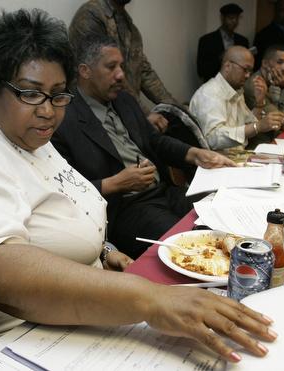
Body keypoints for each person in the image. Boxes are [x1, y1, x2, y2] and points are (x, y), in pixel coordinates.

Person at [0, 9, 276, 370]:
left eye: (59, 94)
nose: (48, 111)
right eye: (31, 93)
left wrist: (104, 250)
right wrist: (149, 300)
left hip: (48, 320)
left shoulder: (29, 134)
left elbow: (63, 202)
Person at [51, 34, 236, 259]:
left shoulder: (124, 100)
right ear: (85, 71)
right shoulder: (63, 118)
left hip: (163, 191)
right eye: (111, 67)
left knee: (226, 209)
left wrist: (194, 154)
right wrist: (116, 183)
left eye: (121, 66)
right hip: (126, 208)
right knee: (194, 246)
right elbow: (63, 189)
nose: (120, 75)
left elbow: (154, 141)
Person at [69, 0, 181, 132]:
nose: (119, 73)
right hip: (95, 118)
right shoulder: (91, 15)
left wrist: (176, 109)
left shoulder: (129, 25)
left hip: (124, 115)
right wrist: (143, 114)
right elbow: (106, 77)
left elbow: (144, 71)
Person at [190, 46, 284, 151]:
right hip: (216, 162)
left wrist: (259, 104)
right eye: (245, 69)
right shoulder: (209, 94)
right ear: (227, 66)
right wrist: (257, 126)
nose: (248, 75)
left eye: (250, 71)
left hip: (236, 157)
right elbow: (213, 139)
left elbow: (247, 127)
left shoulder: (236, 90)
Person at [244, 44, 284, 148]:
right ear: (265, 63)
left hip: (270, 144)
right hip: (257, 148)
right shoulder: (256, 85)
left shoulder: (270, 82)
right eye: (280, 62)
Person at [197, 3, 250, 83]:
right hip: (213, 87)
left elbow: (247, 68)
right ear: (222, 18)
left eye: (236, 18)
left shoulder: (243, 41)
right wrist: (221, 57)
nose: (234, 21)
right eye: (231, 18)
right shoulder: (206, 40)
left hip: (236, 88)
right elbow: (201, 71)